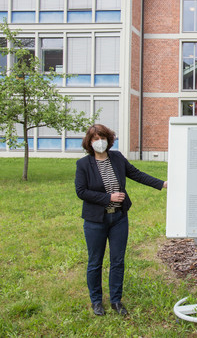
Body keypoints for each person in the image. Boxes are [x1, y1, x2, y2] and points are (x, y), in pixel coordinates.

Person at [75, 124, 167, 316]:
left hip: (118, 219)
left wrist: (162, 184)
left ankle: (116, 300)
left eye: (102, 137)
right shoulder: (83, 164)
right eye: (95, 139)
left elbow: (137, 174)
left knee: (117, 261)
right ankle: (97, 301)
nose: (99, 141)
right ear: (89, 143)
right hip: (95, 222)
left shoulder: (116, 158)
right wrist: (108, 198)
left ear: (108, 139)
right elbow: (81, 192)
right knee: (95, 262)